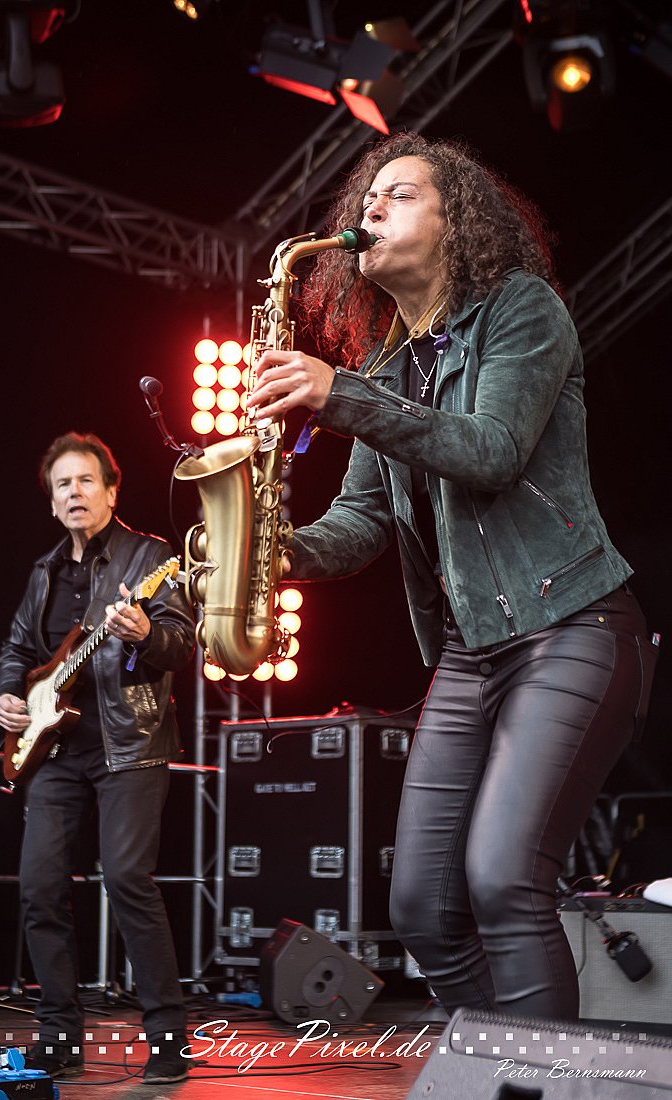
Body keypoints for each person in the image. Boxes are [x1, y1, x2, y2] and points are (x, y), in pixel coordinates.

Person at [246, 132, 656, 1021]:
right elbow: (359, 523)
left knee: (503, 881)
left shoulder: (521, 309)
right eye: (369, 196)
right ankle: (504, 1061)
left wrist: (338, 394)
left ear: (457, 222)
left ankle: (539, 1079)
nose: (372, 206)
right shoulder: (386, 369)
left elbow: (491, 450)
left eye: (400, 194)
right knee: (421, 911)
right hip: (471, 654)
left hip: (571, 627)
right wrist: (269, 553)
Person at [0, 431, 194, 1081]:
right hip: (55, 750)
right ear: (52, 503)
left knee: (128, 880)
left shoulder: (150, 558)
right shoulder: (44, 571)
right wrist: (8, 695)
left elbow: (182, 644)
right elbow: (18, 649)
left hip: (129, 746)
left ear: (111, 491)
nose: (74, 492)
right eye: (63, 485)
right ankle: (59, 1035)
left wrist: (147, 632)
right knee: (39, 887)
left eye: (86, 480)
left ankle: (168, 1037)